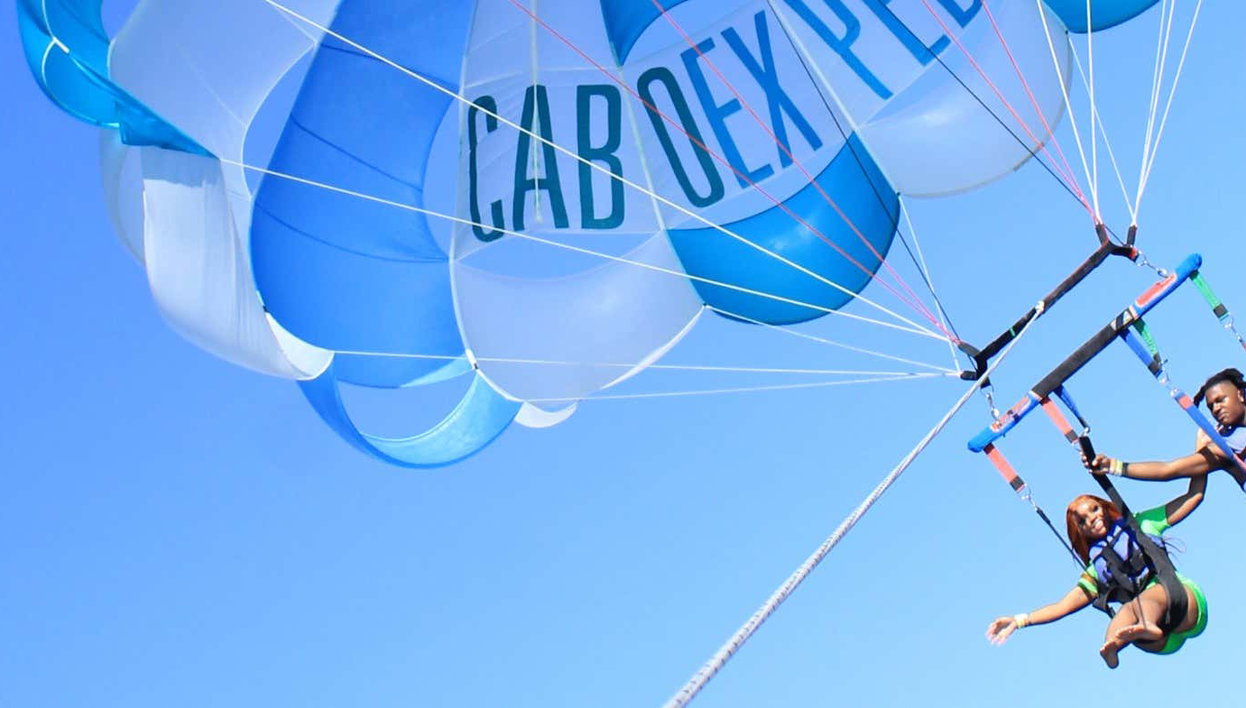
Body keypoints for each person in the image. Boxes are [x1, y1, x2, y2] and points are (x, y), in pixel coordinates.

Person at [986, 474, 1207, 668]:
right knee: (1124, 615)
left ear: (1104, 507)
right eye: (1082, 521)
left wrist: (1203, 459)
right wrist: (1019, 621)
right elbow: (1062, 607)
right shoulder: (1095, 572)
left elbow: (1193, 496)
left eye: (1094, 509)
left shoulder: (1141, 524)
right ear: (1079, 532)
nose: (1091, 518)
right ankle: (1112, 647)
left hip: (1184, 603)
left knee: (1142, 601)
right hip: (1160, 642)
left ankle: (1146, 624)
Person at [1085, 368, 1246, 487]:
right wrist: (1113, 466)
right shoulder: (1224, 445)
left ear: (1240, 395)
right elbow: (1168, 469)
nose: (1216, 409)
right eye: (1210, 407)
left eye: (1220, 400)